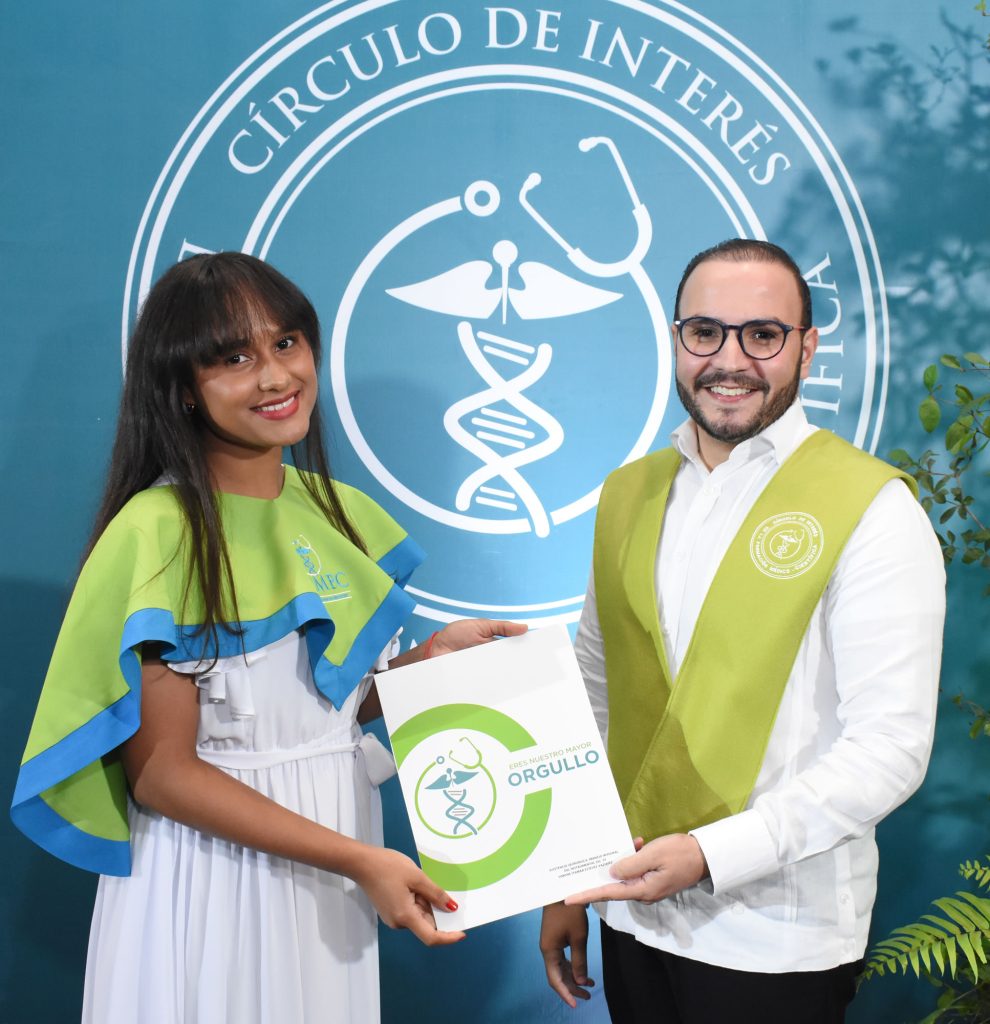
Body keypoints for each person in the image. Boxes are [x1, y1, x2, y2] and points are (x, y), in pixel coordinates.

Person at [11, 252, 524, 1024]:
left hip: (335, 868)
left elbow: (318, 714)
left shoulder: (334, 509)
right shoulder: (156, 533)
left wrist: (426, 666)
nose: (277, 376)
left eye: (286, 343)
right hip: (215, 880)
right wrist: (356, 858)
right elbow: (163, 775)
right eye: (235, 358)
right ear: (183, 387)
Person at [540, 239, 945, 1023]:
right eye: (705, 332)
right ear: (676, 339)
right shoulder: (629, 492)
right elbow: (596, 692)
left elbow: (890, 747)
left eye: (762, 335)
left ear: (806, 348)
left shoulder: (872, 511)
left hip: (774, 935)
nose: (730, 360)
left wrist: (710, 854)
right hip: (629, 912)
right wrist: (565, 880)